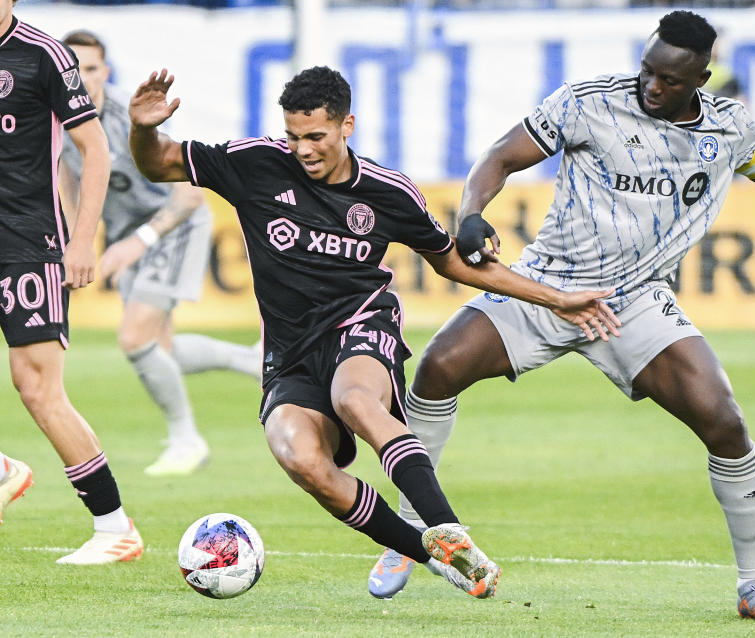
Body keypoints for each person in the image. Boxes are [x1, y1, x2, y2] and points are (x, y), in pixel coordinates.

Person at [367, 10, 755, 622]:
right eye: (646, 70)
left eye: (668, 81)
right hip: (548, 284)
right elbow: (500, 156)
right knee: (438, 366)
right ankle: (414, 536)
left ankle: (754, 587)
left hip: (636, 301)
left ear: (701, 77)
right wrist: (470, 213)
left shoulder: (728, 130)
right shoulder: (588, 102)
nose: (650, 87)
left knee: (724, 422)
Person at [127, 64, 619, 598]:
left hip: (361, 322)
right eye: (294, 137)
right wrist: (143, 128)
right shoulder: (256, 163)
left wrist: (557, 298)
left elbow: (453, 262)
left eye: (316, 136)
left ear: (347, 126)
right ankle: (433, 558)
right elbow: (161, 164)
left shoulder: (387, 192)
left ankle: (447, 529)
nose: (303, 149)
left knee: (356, 400)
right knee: (298, 455)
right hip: (289, 352)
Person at [57, 30, 260, 477]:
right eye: (73, 67)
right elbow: (68, 178)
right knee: (159, 347)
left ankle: (186, 439)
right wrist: (78, 240)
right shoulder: (60, 120)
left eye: (90, 68)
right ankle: (253, 360)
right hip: (132, 233)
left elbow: (188, 196)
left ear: (106, 72)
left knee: (134, 337)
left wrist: (137, 242)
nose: (82, 77)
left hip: (173, 226)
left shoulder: (123, 118)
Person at [0, 0, 142, 564]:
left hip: (27, 242)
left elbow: (96, 149)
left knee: (37, 386)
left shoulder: (43, 56)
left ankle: (114, 528)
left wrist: (81, 242)